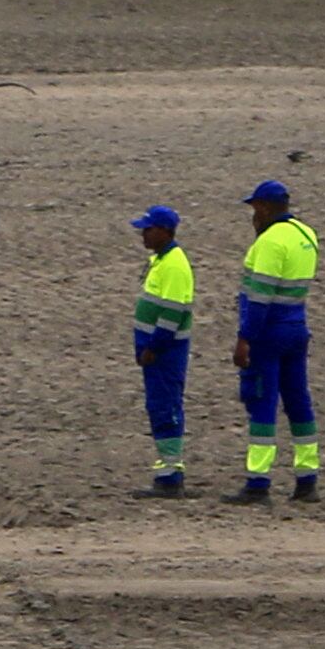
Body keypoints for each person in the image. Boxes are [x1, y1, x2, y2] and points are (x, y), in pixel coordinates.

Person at [231, 178, 321, 503]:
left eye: (255, 209)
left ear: (266, 208)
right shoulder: (306, 234)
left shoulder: (270, 242)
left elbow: (259, 299)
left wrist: (245, 339)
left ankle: (258, 482)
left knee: (262, 403)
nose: (253, 216)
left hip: (269, 333)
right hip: (298, 326)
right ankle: (307, 477)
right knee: (299, 402)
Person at [127, 206, 195, 493]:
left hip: (166, 352)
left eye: (148, 228)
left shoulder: (174, 265)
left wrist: (154, 347)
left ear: (165, 231)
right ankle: (167, 470)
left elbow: (173, 311)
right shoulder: (162, 260)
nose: (143, 234)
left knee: (166, 407)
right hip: (157, 351)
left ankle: (170, 475)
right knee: (159, 406)